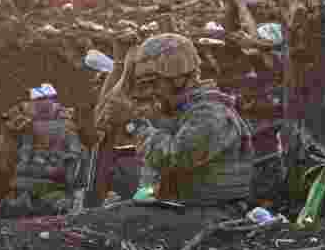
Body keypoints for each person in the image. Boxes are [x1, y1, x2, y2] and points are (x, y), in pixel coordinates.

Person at [95, 33, 255, 207]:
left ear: (179, 79)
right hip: (182, 208)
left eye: (154, 82)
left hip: (212, 210)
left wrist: (134, 124)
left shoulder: (212, 112)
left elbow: (174, 156)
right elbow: (103, 120)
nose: (151, 91)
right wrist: (123, 67)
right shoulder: (178, 112)